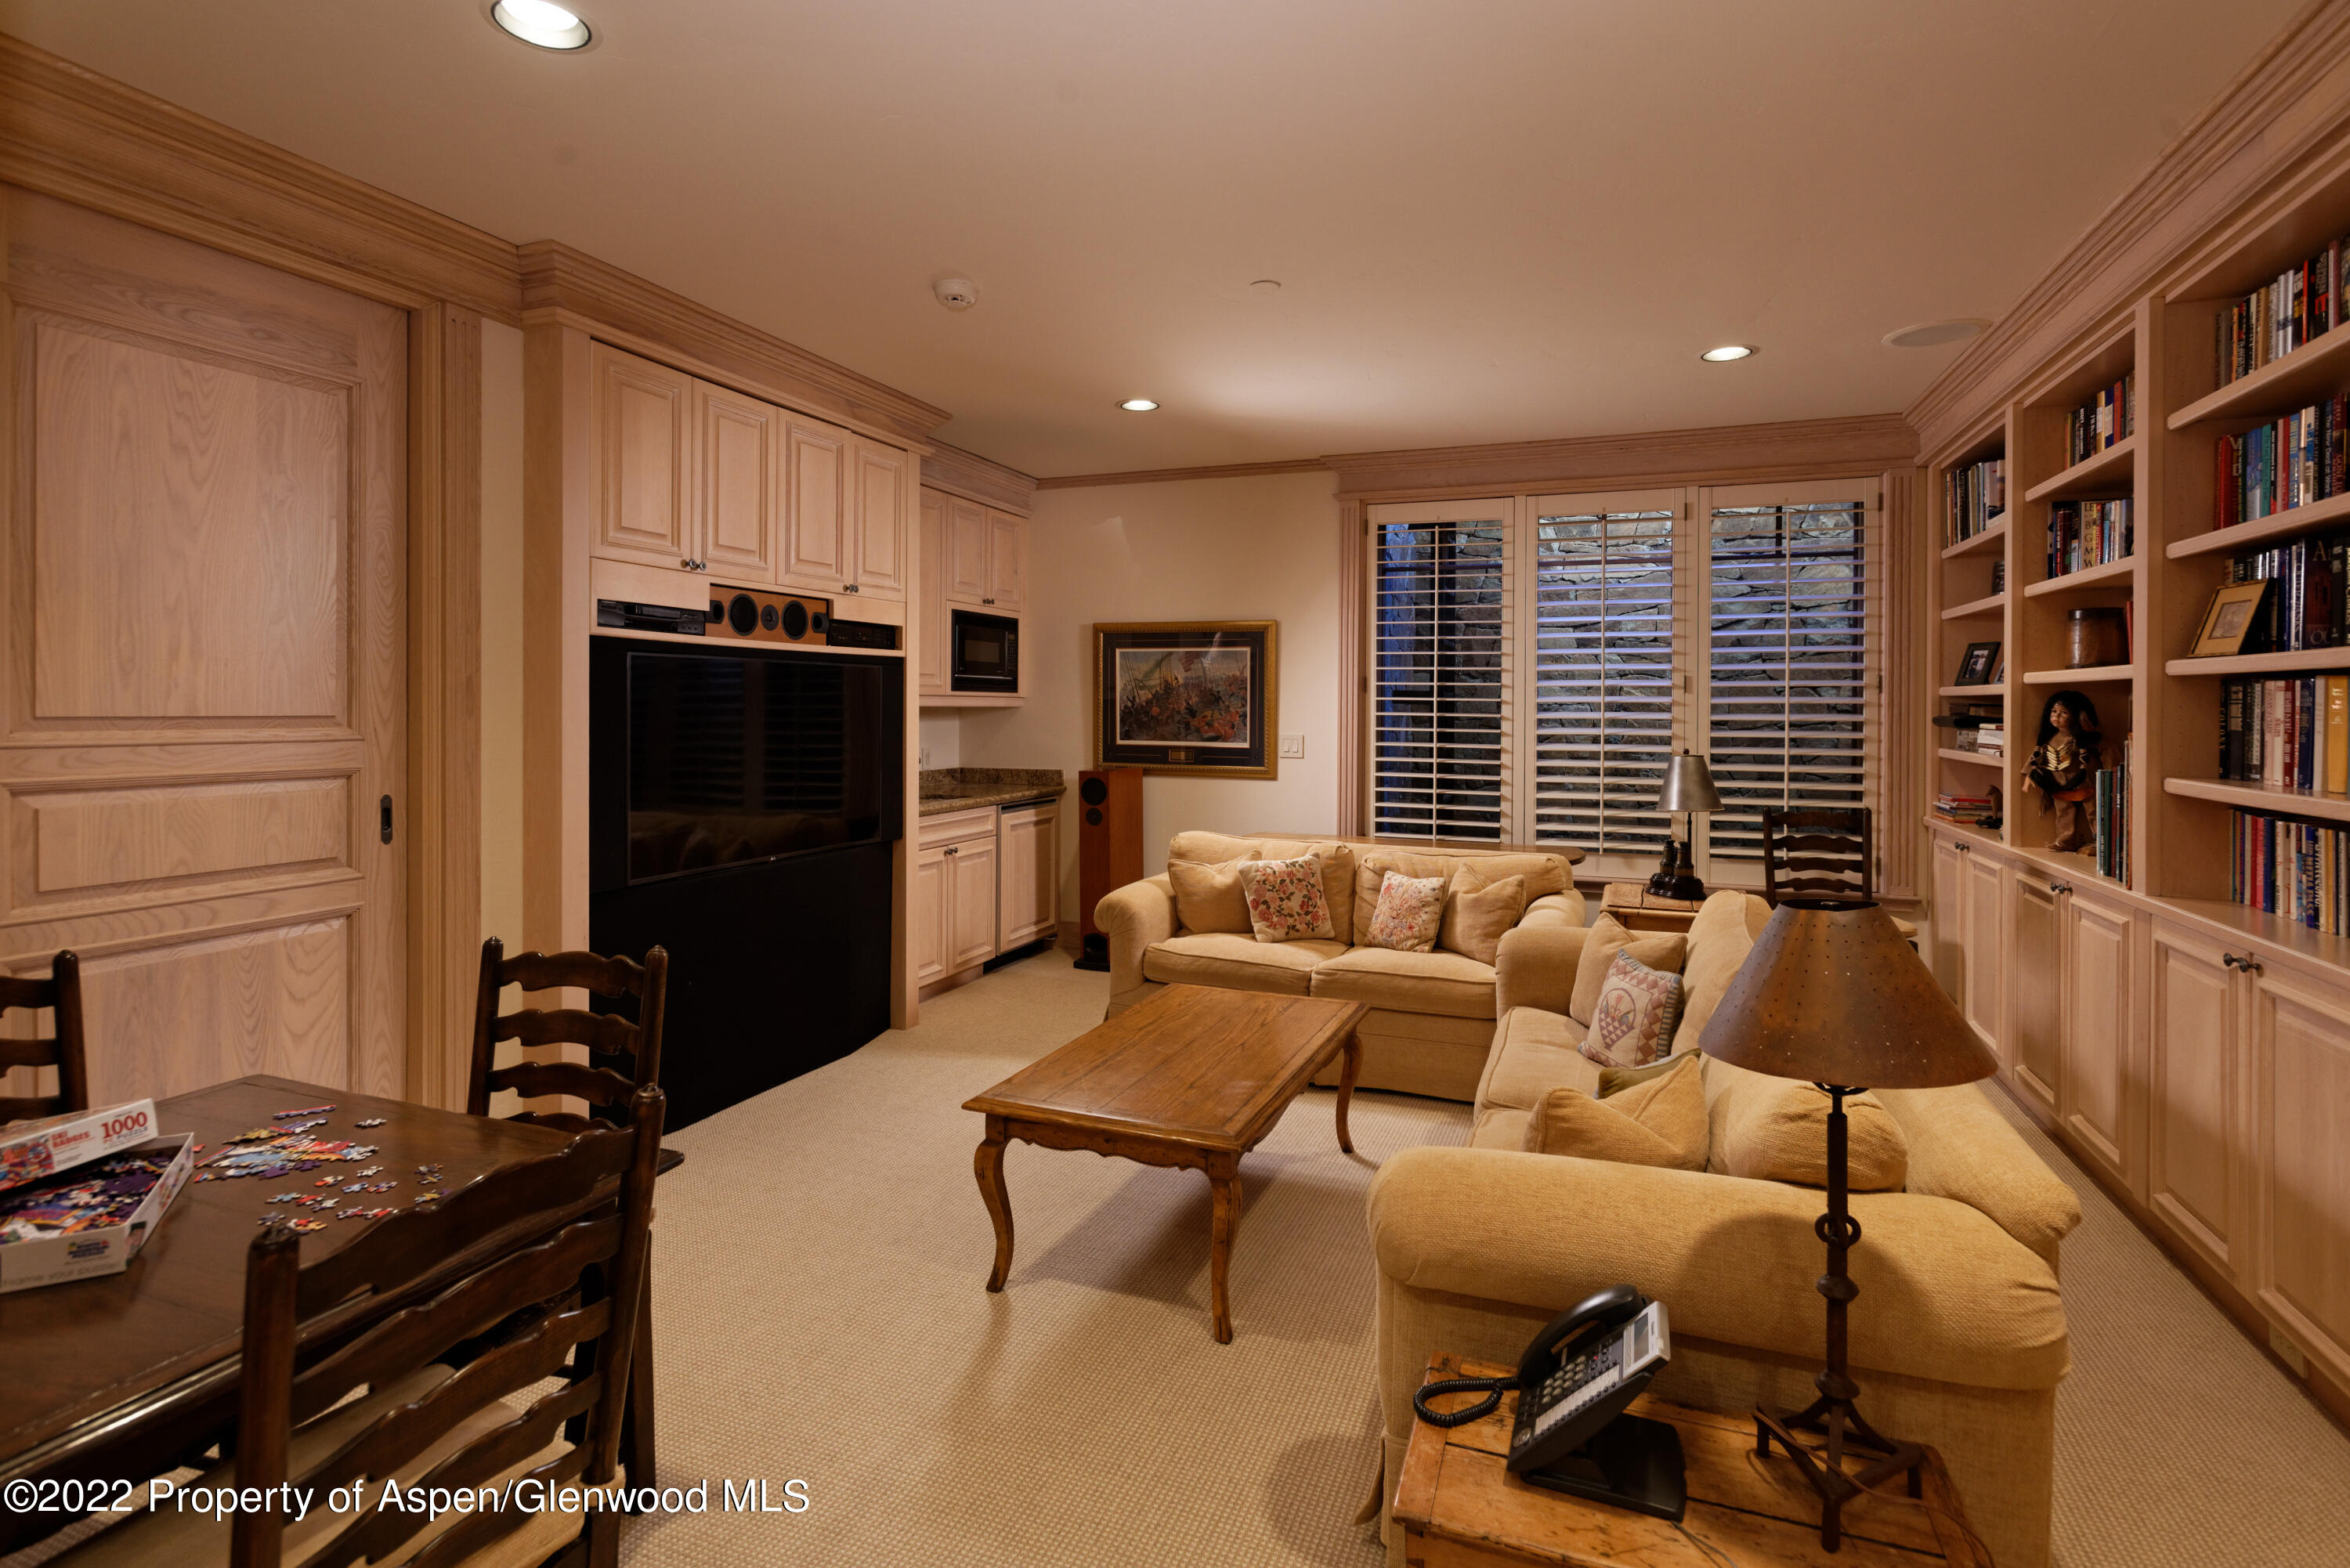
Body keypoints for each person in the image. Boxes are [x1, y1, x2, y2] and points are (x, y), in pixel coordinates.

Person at [2025, 690, 2105, 853]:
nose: (2057, 716)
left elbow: (2108, 751)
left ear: (2076, 715)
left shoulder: (2085, 739)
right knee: (2063, 812)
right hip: (2058, 782)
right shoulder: (2048, 739)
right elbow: (2036, 758)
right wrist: (2030, 776)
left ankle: (2101, 842)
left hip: (2084, 782)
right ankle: (2065, 840)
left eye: (2064, 712)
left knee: (2093, 811)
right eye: (2054, 711)